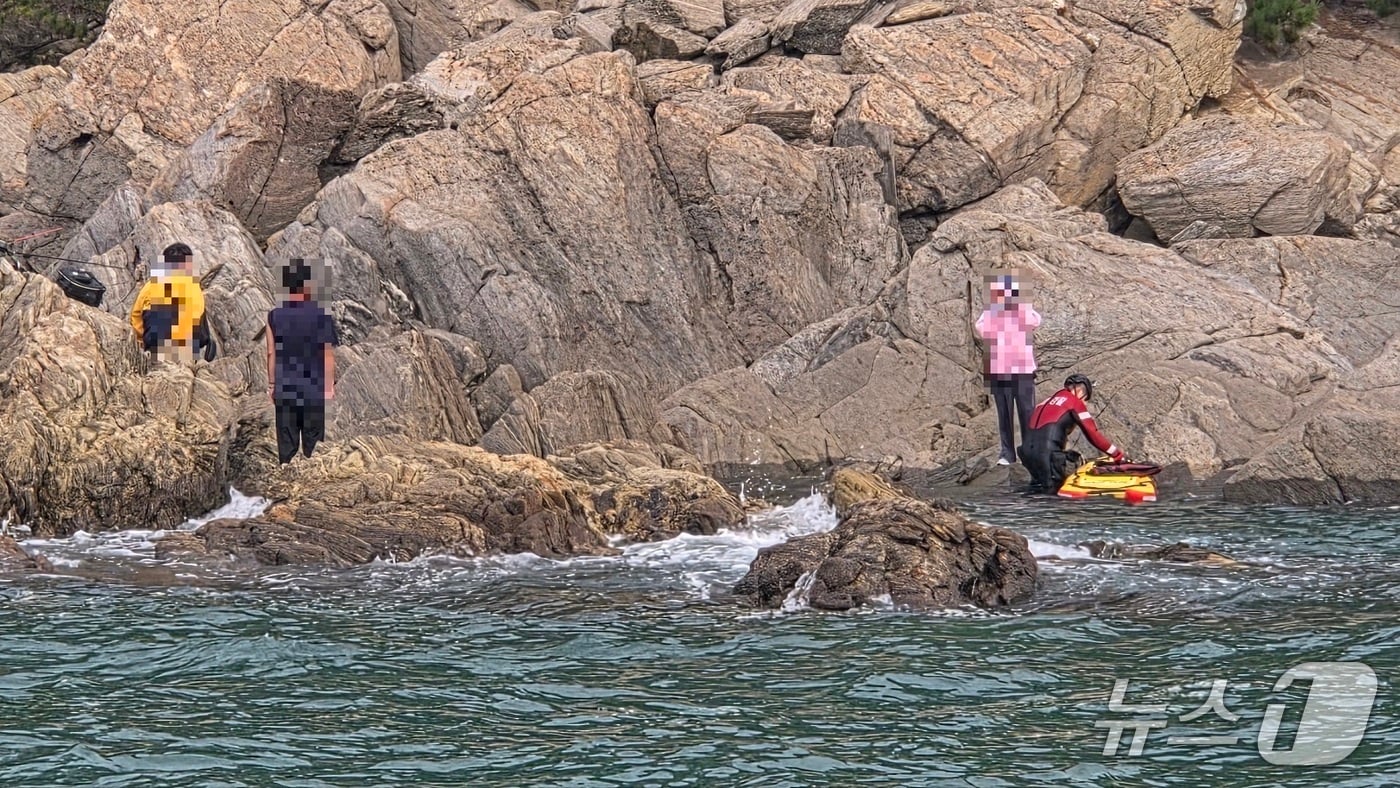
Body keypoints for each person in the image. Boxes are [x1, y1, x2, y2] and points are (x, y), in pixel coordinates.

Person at [266, 258, 339, 464]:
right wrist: (329, 386)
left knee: (287, 447)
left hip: (286, 388)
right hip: (313, 389)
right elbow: (327, 353)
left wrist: (272, 385)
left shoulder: (274, 316)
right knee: (314, 448)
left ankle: (286, 486)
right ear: (308, 285)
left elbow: (271, 353)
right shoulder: (321, 315)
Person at [1018, 374, 1127, 494]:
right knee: (1052, 496)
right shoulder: (1075, 402)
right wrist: (1116, 454)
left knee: (1036, 490)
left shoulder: (1044, 403)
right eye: (1085, 400)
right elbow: (1093, 434)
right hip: (1047, 454)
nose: (1084, 404)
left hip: (1026, 453)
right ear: (1081, 391)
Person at [975, 272, 1041, 465]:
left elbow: (1036, 321)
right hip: (999, 370)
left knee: (1027, 412)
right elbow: (981, 329)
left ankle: (1030, 451)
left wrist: (1017, 307)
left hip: (1023, 371)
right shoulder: (990, 312)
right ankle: (1007, 453)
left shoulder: (1023, 310)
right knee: (1004, 414)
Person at [129, 242, 209, 364]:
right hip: (189, 354)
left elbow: (141, 323)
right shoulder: (196, 290)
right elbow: (203, 334)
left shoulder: (152, 287)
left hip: (158, 353)